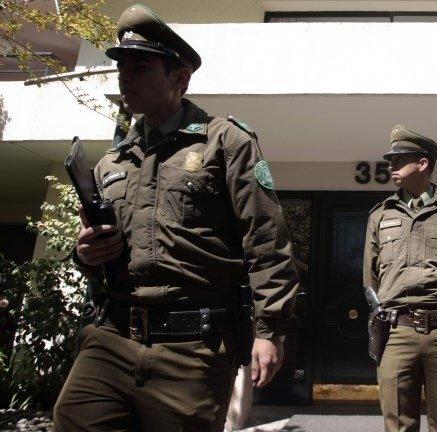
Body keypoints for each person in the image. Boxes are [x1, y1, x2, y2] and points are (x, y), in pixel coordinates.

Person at [54, 4, 299, 430]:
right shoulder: (112, 161)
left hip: (192, 346)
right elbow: (94, 254)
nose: (125, 76)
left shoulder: (226, 142)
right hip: (111, 337)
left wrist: (270, 329)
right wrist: (86, 253)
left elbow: (266, 238)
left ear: (179, 78)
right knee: (73, 419)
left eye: (141, 66)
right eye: (122, 67)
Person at [363, 125, 437, 432]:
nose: (391, 166)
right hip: (396, 332)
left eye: (399, 160)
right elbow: (370, 278)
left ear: (423, 163)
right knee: (398, 425)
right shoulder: (380, 216)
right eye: (390, 160)